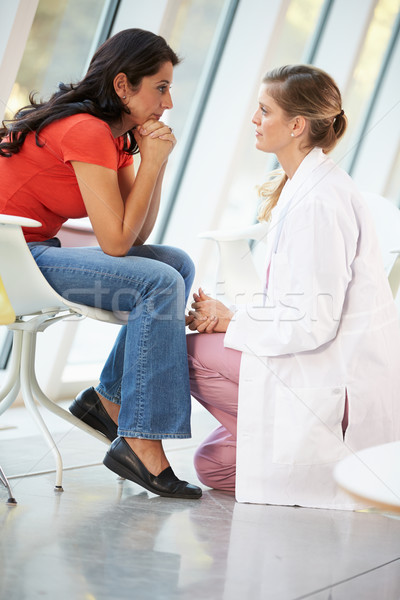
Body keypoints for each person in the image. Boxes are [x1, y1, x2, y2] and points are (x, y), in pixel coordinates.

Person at [186, 64, 400, 510]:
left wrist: (232, 319)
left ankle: (316, 448)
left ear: (297, 125)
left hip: (334, 386)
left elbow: (313, 321)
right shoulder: (306, 187)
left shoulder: (319, 201)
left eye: (264, 111)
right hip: (319, 364)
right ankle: (280, 439)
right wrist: (231, 316)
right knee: (212, 465)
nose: (254, 120)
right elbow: (297, 299)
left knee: (185, 353)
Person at [0, 28, 201, 499]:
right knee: (160, 282)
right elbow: (115, 243)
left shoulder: (115, 136)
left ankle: (109, 403)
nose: (168, 103)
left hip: (33, 252)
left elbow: (137, 235)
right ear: (123, 85)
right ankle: (140, 441)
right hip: (10, 263)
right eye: (161, 87)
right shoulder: (87, 130)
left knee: (176, 264)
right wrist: (150, 161)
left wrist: (156, 161)